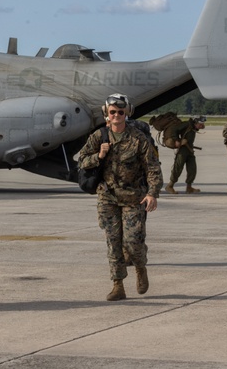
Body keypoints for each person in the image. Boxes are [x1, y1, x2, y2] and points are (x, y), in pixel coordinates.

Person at [76, 93, 162, 301]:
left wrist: (152, 193)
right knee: (113, 242)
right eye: (112, 112)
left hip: (134, 198)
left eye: (120, 112)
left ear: (127, 113)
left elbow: (152, 168)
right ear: (107, 113)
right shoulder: (99, 136)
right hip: (108, 198)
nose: (116, 115)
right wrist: (99, 156)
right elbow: (82, 161)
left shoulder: (138, 139)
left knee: (133, 242)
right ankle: (118, 285)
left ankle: (140, 267)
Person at [164, 115, 205, 194]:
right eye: (200, 124)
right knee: (178, 168)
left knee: (192, 169)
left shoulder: (193, 127)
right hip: (182, 149)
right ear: (195, 122)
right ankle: (170, 186)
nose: (201, 126)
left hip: (189, 149)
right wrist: (177, 140)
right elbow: (174, 130)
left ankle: (189, 187)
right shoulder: (186, 124)